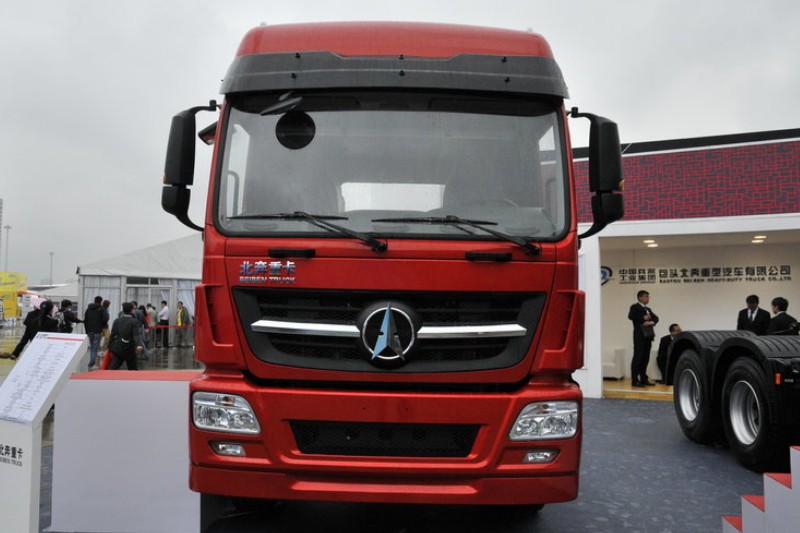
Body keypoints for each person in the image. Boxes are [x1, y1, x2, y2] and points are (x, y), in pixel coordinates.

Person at [628, 290, 659, 387]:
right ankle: (635, 380)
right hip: (639, 336)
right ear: (640, 297)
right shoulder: (635, 307)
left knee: (645, 358)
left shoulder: (648, 309)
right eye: (646, 296)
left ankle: (644, 379)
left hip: (648, 336)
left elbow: (656, 318)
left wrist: (651, 322)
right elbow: (631, 316)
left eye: (648, 297)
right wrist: (643, 318)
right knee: (638, 357)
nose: (648, 298)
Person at [109, 302, 143, 370]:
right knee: (132, 369)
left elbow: (112, 334)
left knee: (113, 367)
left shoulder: (117, 321)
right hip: (129, 348)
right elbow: (136, 335)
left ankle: (108, 376)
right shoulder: (134, 321)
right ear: (131, 310)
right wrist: (139, 345)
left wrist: (110, 346)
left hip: (118, 347)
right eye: (134, 309)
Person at [83, 296, 106, 369]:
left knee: (92, 346)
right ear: (101, 301)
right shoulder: (101, 309)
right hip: (97, 331)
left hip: (90, 331)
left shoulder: (88, 309)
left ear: (94, 300)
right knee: (95, 347)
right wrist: (102, 326)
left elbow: (85, 320)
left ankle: (92, 362)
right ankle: (92, 362)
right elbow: (105, 319)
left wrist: (87, 330)